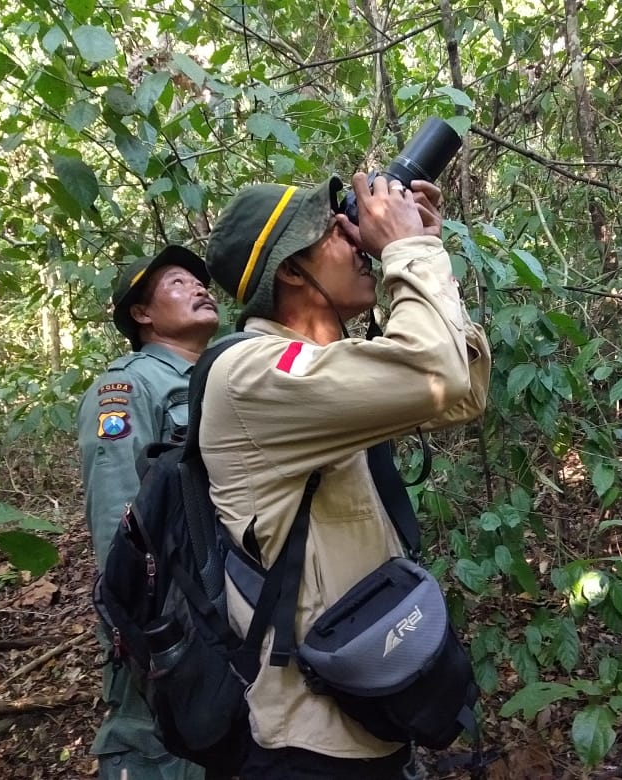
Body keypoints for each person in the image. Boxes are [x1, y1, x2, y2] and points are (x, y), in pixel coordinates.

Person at [201, 172, 491, 778]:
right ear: (290, 271)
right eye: (334, 229)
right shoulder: (253, 373)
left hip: (367, 700)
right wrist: (409, 250)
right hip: (310, 742)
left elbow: (461, 390)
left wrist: (424, 251)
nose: (356, 235)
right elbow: (436, 377)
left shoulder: (314, 367)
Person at [77, 245, 219, 780]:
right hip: (169, 612)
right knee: (156, 741)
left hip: (226, 599)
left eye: (199, 282)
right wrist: (141, 621)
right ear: (142, 313)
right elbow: (117, 511)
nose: (198, 288)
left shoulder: (221, 374)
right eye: (178, 283)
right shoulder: (128, 386)